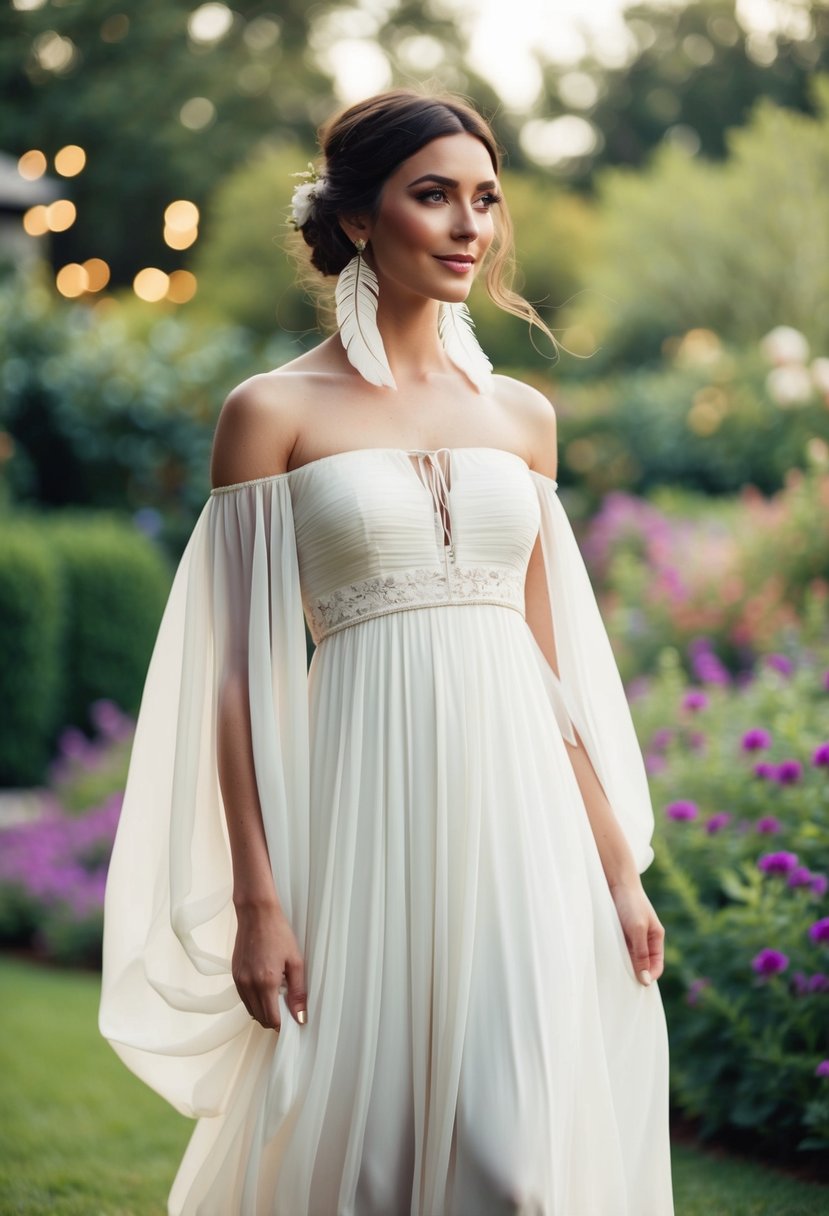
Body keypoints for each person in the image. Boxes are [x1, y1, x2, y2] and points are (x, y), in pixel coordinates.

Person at [100, 88, 674, 1215]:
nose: (470, 226)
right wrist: (259, 897)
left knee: (513, 1159)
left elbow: (551, 667)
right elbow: (235, 676)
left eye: (485, 199)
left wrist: (614, 862)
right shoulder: (268, 412)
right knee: (362, 1152)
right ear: (361, 220)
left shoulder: (522, 418)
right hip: (360, 809)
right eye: (434, 197)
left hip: (524, 821)